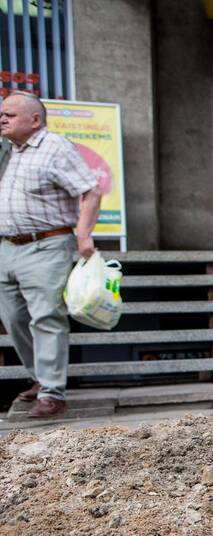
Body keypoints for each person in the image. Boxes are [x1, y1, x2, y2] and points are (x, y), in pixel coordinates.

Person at [0, 91, 101, 419]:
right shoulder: (7, 152)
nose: (3, 119)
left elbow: (90, 190)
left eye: (10, 115)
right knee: (13, 319)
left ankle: (52, 392)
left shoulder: (55, 147)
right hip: (8, 246)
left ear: (35, 120)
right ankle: (39, 378)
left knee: (46, 317)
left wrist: (84, 235)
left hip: (46, 245)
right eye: (2, 114)